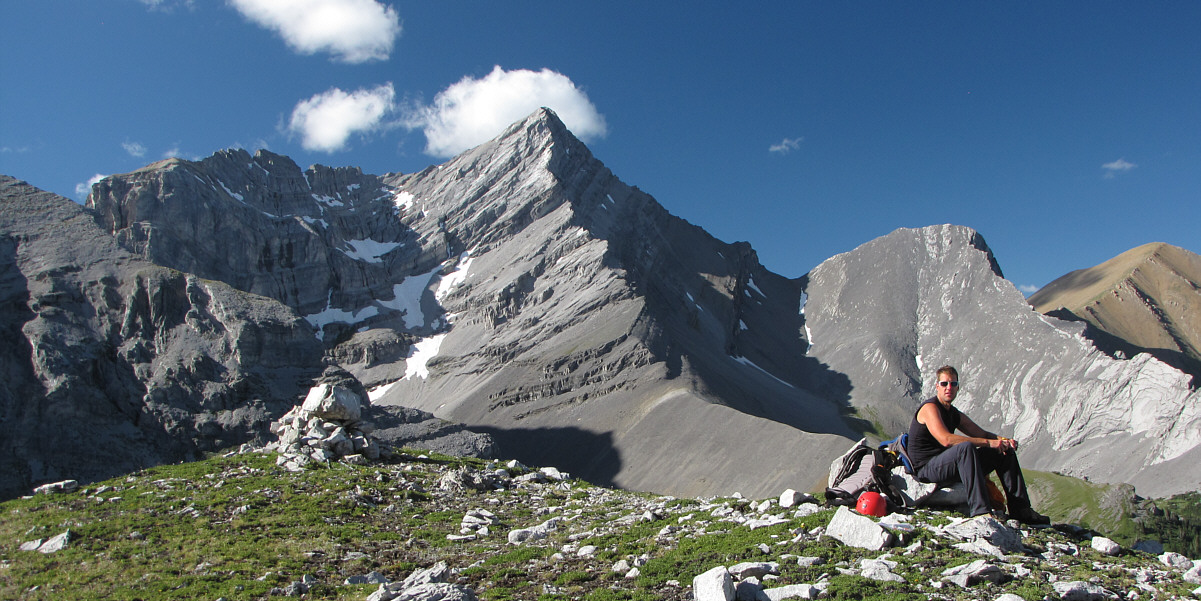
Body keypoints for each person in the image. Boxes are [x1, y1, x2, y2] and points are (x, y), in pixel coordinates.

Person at [907, 365, 1050, 524]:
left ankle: (1021, 510)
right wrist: (989, 443)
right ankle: (981, 511)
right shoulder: (930, 408)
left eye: (953, 384)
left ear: (958, 387)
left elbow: (981, 434)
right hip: (926, 469)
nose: (949, 388)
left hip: (946, 465)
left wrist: (1003, 441)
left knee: (1003, 451)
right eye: (944, 384)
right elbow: (946, 440)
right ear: (937, 386)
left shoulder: (953, 413)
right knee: (965, 448)